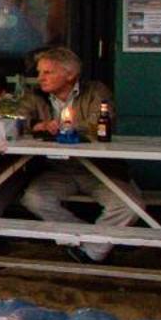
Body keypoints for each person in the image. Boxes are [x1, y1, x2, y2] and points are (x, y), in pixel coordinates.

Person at [15, 46, 137, 263]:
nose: (40, 78)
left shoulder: (96, 91)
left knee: (129, 205)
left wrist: (63, 127)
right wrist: (39, 124)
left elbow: (99, 123)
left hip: (98, 169)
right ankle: (91, 242)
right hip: (59, 169)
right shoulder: (35, 96)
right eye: (39, 72)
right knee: (34, 199)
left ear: (70, 75)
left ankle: (91, 252)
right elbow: (16, 121)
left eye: (47, 72)